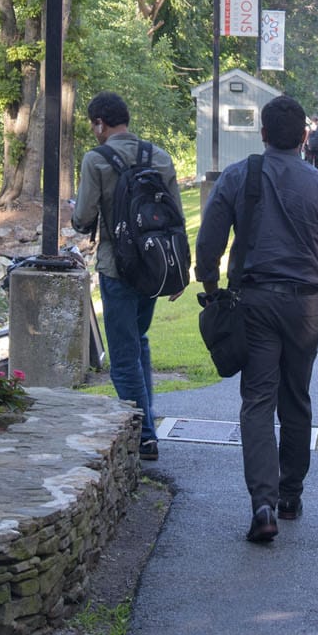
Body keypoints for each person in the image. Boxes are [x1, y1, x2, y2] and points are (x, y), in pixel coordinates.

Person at [197, 94, 318, 544]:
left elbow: (208, 242)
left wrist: (212, 289)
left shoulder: (239, 176)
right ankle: (291, 494)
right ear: (304, 138)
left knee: (258, 401)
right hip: (304, 308)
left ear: (262, 134)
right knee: (296, 397)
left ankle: (263, 504)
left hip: (254, 303)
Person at [70, 91, 182, 462]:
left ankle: (143, 435)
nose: (94, 132)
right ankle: (146, 418)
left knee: (122, 355)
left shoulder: (96, 160)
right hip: (154, 269)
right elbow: (176, 218)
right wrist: (180, 271)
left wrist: (77, 216)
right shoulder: (160, 157)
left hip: (117, 268)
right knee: (140, 340)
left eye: (93, 125)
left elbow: (84, 217)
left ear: (100, 123)